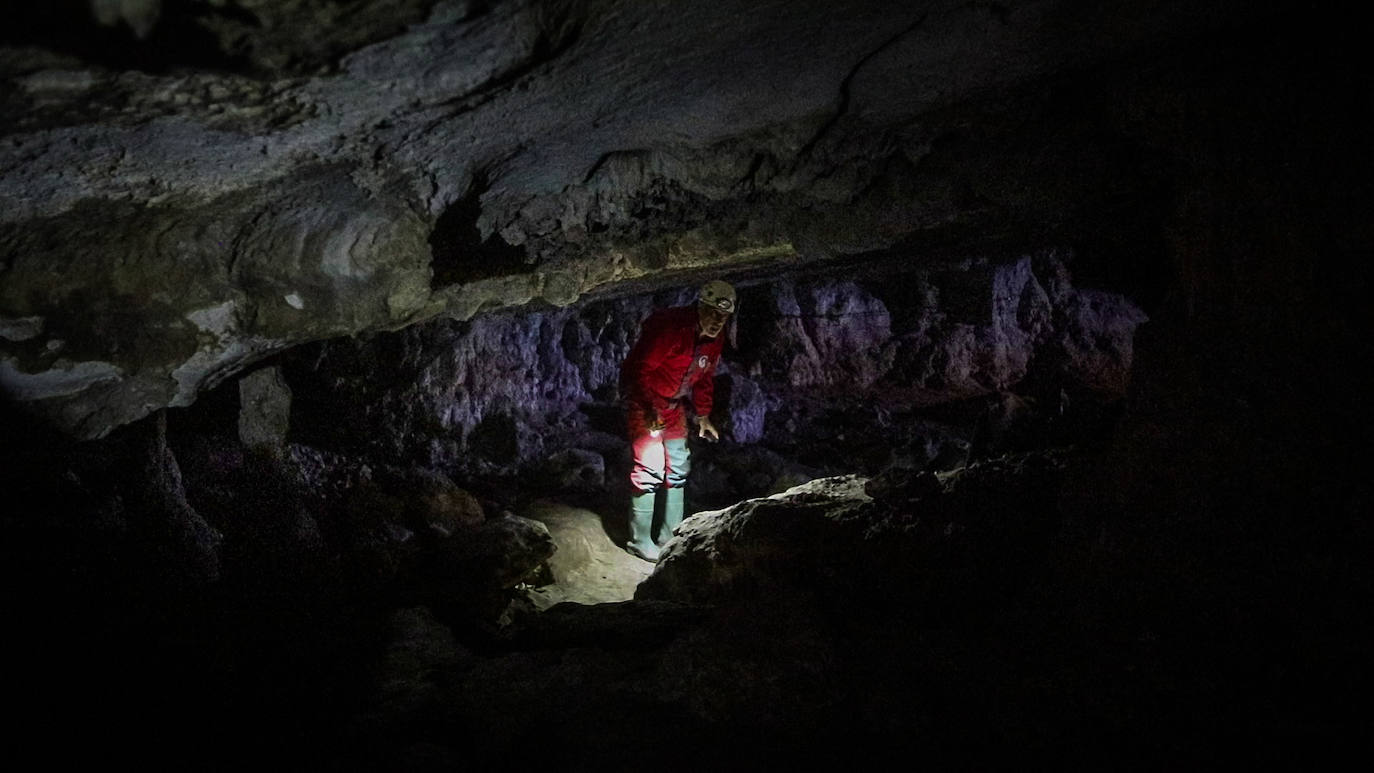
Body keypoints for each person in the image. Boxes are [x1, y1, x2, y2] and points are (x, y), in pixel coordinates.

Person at [618, 279, 735, 562]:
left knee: (679, 466)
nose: (717, 321)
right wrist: (648, 407)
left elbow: (704, 377)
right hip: (646, 402)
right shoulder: (672, 332)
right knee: (650, 467)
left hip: (673, 405)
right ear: (700, 307)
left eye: (724, 317)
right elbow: (640, 371)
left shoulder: (714, 339)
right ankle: (639, 540)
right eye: (712, 313)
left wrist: (704, 414)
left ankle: (669, 536)